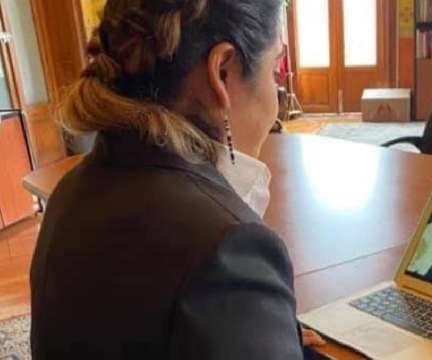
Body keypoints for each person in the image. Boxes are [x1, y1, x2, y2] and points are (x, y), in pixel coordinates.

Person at [30, 0, 324, 359]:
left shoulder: (69, 192)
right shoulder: (226, 249)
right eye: (274, 72)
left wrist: (261, 327)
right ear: (223, 72)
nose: (275, 98)